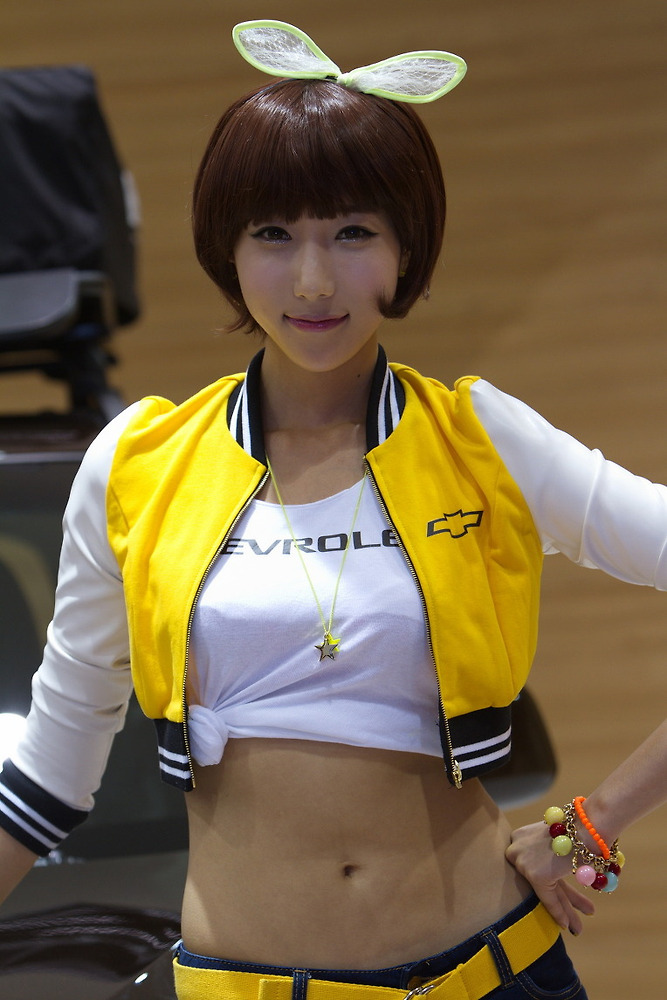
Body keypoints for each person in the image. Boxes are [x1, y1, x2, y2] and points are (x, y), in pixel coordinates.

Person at [0, 19, 665, 1000]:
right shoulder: (139, 465)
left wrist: (595, 822)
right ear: (227, 249)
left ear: (405, 246)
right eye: (273, 234)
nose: (313, 280)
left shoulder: (480, 439)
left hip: (490, 974)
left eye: (352, 232)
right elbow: (51, 769)